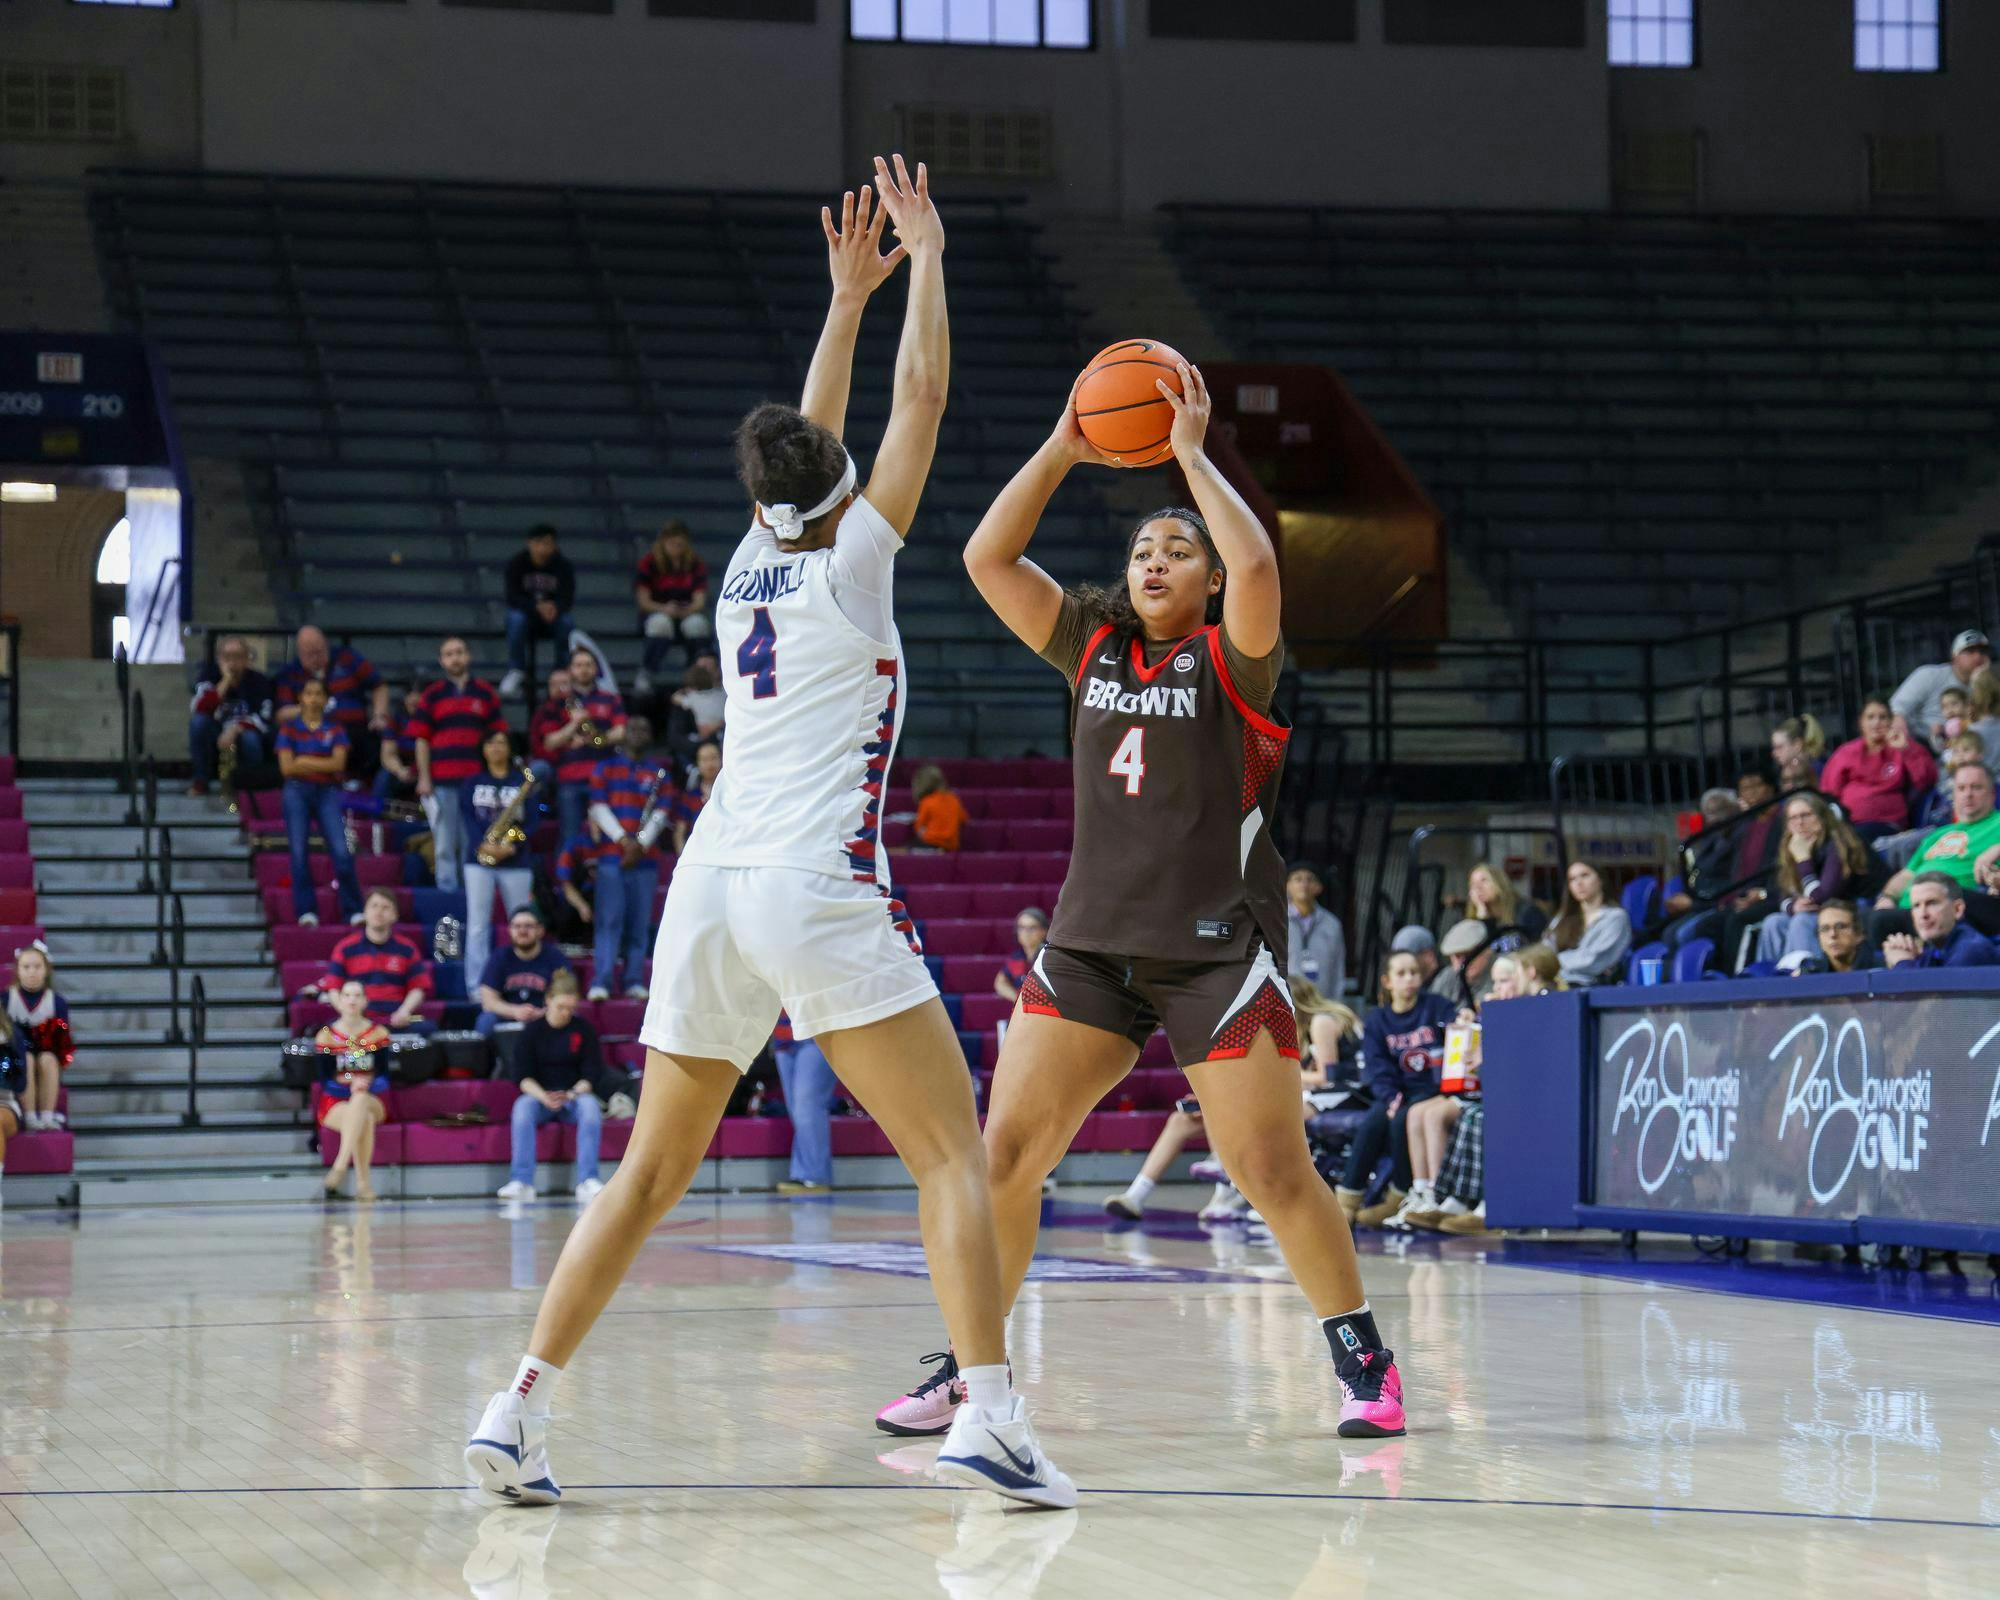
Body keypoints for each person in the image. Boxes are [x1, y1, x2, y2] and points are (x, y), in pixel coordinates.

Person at [465, 161, 1075, 1509]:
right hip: (813, 882)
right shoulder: (857, 550)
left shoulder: (748, 555)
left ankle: (517, 1411)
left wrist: (844, 299)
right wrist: (927, 263)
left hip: (712, 884)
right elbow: (917, 404)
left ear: (760, 495)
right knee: (949, 1157)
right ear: (840, 488)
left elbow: (810, 435)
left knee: (646, 1174)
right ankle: (989, 1414)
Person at [888, 330, 1407, 1448]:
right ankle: (968, 1366)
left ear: (1208, 577)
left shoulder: (1236, 658)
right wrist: (1065, 447)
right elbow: (986, 557)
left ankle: (1362, 1358)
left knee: (1269, 1167)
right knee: (1002, 1159)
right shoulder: (1090, 648)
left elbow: (1261, 567)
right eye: (1141, 552)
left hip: (1217, 952)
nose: (1157, 561)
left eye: (1177, 548)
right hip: (1088, 947)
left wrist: (1187, 454)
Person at [1387, 954, 1524, 1231]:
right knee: (1418, 1113)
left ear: (1524, 978)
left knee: (1464, 1117)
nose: (1497, 989)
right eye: (1495, 982)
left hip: (1508, 1097)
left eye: (1505, 981)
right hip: (1480, 1091)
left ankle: (1474, 1198)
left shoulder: (1524, 1013)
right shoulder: (1492, 1013)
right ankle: (1432, 1193)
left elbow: (1510, 1068)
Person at [1331, 950, 1455, 1230]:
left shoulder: (1437, 1006)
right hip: (1398, 1091)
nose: (1409, 979)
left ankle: (1399, 1194)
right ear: (1387, 981)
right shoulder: (1378, 1020)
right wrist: (1390, 1096)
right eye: (1401, 973)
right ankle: (1347, 1200)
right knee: (1374, 1121)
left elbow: (1456, 1028)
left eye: (1414, 972)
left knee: (1402, 1119)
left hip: (1433, 1089)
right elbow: (1376, 1066)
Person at [496, 973, 609, 1205]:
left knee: (590, 1109)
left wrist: (571, 1094)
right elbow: (522, 1077)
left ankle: (588, 1179)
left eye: (571, 1008)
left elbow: (591, 1073)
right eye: (561, 1007)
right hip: (540, 1095)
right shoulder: (532, 1032)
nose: (566, 1013)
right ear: (548, 1000)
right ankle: (522, 1181)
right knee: (522, 1109)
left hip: (573, 1095)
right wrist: (544, 1096)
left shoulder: (583, 1030)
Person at [584, 716, 672, 1000]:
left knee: (639, 923)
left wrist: (640, 844)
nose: (638, 733)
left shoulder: (660, 773)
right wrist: (624, 841)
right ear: (623, 734)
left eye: (644, 729)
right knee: (609, 921)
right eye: (633, 729)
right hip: (612, 857)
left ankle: (634, 979)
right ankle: (602, 981)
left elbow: (662, 813)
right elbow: (598, 807)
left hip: (645, 860)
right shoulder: (604, 768)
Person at [412, 636, 507, 897]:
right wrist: (424, 778)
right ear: (442, 661)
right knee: (443, 841)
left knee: (473, 838)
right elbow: (421, 739)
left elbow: (498, 738)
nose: (455, 657)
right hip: (442, 780)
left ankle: (472, 890)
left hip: (477, 782)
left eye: (459, 652)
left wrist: (494, 776)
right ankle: (446, 892)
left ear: (468, 656)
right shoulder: (432, 695)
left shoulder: (485, 693)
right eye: (449, 654)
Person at [1869, 763, 2000, 943]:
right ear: (1953, 795)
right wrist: (1887, 898)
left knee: (1881, 921)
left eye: (1976, 787)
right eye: (1961, 788)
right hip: (1913, 909)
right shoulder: (1937, 835)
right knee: (1867, 918)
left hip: (1962, 905)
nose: (1968, 794)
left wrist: (1996, 849)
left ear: (1992, 794)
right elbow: (1907, 875)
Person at [276, 678, 363, 927]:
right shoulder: (288, 729)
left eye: (318, 693)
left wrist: (303, 761)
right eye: (308, 693)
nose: (313, 698)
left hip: (328, 791)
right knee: (299, 852)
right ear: (301, 698)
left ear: (325, 700)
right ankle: (306, 911)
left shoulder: (335, 729)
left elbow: (338, 764)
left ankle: (353, 909)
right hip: (296, 792)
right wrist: (313, 763)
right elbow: (286, 768)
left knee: (341, 851)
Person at [1753, 793, 1873, 963]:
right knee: (1774, 922)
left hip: (1847, 912)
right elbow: (1782, 894)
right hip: (1814, 914)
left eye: (1806, 815)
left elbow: (1821, 898)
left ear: (1822, 817)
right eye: (1792, 818)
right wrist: (1793, 906)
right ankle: (1771, 982)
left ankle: (1806, 978)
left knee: (1802, 921)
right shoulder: (1791, 849)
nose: (1800, 823)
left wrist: (1803, 860)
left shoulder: (1838, 844)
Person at [459, 729, 537, 988]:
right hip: (479, 861)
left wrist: (512, 847)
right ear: (483, 749)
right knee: (478, 926)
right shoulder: (472, 782)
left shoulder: (521, 782)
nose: (495, 747)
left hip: (516, 862)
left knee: (522, 924)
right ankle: (477, 987)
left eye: (501, 742)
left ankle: (516, 982)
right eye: (490, 742)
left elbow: (534, 821)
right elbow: (468, 820)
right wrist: (484, 844)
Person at [312, 979, 392, 1201]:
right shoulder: (326, 1035)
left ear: (366, 1000)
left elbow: (384, 1077)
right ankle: (363, 1186)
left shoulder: (378, 1033)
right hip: (335, 1101)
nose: (352, 1000)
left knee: (361, 1099)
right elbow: (325, 1080)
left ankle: (339, 1167)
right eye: (347, 995)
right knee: (361, 1116)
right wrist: (351, 1080)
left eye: (357, 995)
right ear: (338, 1000)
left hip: (373, 1098)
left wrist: (363, 1084)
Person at [274, 625, 390, 776]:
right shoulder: (290, 673)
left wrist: (379, 715)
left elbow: (379, 686)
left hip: (354, 729)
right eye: (309, 655)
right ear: (300, 653)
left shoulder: (347, 658)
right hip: (311, 732)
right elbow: (281, 715)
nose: (316, 658)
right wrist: (311, 706)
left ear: (326, 645)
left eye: (319, 652)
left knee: (377, 738)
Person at [1821, 697, 1938, 842]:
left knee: (1855, 839)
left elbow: (1926, 781)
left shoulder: (1903, 747)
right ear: (1861, 722)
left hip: (1887, 824)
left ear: (1891, 721)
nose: (1876, 723)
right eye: (1870, 717)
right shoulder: (1846, 752)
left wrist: (1906, 750)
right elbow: (1828, 792)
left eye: (1882, 717)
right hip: (1849, 824)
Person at [546, 643, 627, 849]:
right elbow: (549, 742)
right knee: (569, 836)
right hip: (569, 778)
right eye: (578, 665)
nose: (583, 669)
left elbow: (621, 731)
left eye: (588, 665)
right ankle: (564, 881)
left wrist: (598, 739)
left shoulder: (610, 699)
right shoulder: (558, 702)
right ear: (571, 670)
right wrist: (574, 724)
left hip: (602, 777)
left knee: (608, 834)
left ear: (595, 668)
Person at [321, 889, 433, 1032]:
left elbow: (418, 987)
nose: (379, 912)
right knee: (328, 1031)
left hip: (395, 1020)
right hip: (358, 1020)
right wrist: (348, 1014)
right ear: (365, 912)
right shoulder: (345, 948)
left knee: (427, 1029)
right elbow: (333, 988)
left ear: (395, 915)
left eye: (385, 907)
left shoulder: (407, 949)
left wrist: (404, 1011)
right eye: (374, 906)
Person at [187, 634, 275, 798]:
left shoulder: (259, 681)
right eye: (227, 657)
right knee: (198, 723)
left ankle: (250, 789)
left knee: (251, 739)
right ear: (219, 658)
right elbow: (201, 709)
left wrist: (235, 729)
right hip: (216, 733)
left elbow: (265, 718)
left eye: (238, 657)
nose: (232, 662)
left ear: (247, 659)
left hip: (244, 733)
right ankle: (201, 782)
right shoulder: (208, 677)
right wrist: (226, 680)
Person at [634, 520, 712, 693]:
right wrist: (665, 609)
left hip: (685, 612)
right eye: (672, 544)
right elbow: (644, 601)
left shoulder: (695, 564)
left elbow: (699, 600)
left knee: (697, 624)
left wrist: (687, 610)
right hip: (657, 611)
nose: (676, 548)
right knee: (660, 624)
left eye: (680, 544)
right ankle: (647, 672)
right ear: (663, 543)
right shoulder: (649, 563)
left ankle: (695, 675)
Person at [501, 525, 578, 699]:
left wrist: (555, 607)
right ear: (530, 544)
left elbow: (567, 597)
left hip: (553, 617)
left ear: (554, 545)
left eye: (548, 543)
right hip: (527, 616)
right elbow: (512, 597)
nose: (543, 548)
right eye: (538, 543)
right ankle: (516, 670)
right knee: (515, 619)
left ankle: (562, 671)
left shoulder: (563, 566)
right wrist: (536, 607)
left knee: (567, 622)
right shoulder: (517, 563)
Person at [475, 905, 572, 1041]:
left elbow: (566, 995)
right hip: (507, 1017)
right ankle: (486, 1062)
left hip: (546, 1016)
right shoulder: (499, 957)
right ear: (509, 930)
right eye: (517, 926)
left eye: (528, 926)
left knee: (571, 1019)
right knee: (486, 1021)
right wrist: (515, 1011)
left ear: (540, 930)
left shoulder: (555, 958)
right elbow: (488, 1001)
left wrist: (544, 1012)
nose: (522, 931)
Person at [7, 941, 74, 1131]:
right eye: (26, 967)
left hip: (47, 1053)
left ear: (47, 970)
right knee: (25, 1058)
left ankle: (47, 1115)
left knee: (48, 1059)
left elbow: (63, 1042)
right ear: (18, 970)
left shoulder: (57, 1002)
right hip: (15, 1058)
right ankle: (29, 1116)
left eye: (37, 967)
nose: (32, 972)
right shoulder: (7, 999)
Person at [1890, 628, 1992, 754]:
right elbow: (1897, 710)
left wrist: (1984, 680)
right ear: (1955, 656)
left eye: (1983, 652)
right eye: (1970, 651)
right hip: (1921, 747)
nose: (1978, 657)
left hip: (1968, 750)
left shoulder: (1990, 685)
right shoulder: (1930, 675)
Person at [770, 1013, 836, 1196]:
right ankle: (805, 1173)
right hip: (783, 1038)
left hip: (816, 1034)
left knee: (807, 1105)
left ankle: (814, 1176)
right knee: (797, 1111)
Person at [1881, 872, 2000, 969]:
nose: (1923, 914)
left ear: (1957, 909)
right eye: (1916, 906)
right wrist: (1913, 957)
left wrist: (1902, 962)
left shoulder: (1970, 950)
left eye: (1932, 903)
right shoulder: (1936, 949)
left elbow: (1933, 996)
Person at [1549, 859, 1633, 986]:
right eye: (1572, 879)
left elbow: (1593, 961)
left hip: (1591, 986)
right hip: (1555, 983)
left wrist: (1551, 963)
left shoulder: (1616, 917)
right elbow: (1545, 949)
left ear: (1600, 879)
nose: (1579, 883)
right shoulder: (1561, 918)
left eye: (1585, 875)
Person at [1285, 861, 1347, 995]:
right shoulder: (1277, 920)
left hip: (1322, 1000)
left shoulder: (1332, 924)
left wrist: (1336, 1005)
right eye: (1298, 879)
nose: (1304, 884)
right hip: (1286, 1003)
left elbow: (1338, 968)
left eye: (1310, 879)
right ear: (1287, 886)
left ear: (1319, 887)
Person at [1781, 899, 1881, 977]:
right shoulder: (1810, 975)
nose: (1832, 934)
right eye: (1825, 929)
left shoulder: (1882, 969)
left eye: (1840, 927)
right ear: (1819, 938)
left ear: (1859, 934)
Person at [663, 657, 727, 768]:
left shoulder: (692, 698)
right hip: (717, 731)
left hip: (710, 734)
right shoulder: (722, 694)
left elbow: (675, 698)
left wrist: (683, 692)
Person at [1465, 860, 1545, 945]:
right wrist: (1483, 920)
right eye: (1473, 884)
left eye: (1484, 880)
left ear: (1499, 882)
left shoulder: (1527, 912)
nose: (1478, 887)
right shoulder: (1474, 921)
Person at [526, 665, 575, 792]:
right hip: (550, 764)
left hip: (578, 762)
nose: (559, 688)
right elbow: (549, 744)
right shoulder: (545, 712)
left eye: (564, 684)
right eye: (554, 685)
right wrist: (575, 724)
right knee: (535, 770)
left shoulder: (580, 707)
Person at [671, 739, 721, 854]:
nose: (710, 764)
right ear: (697, 763)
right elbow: (679, 834)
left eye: (713, 758)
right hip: (698, 857)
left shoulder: (731, 794)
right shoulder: (689, 798)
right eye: (704, 759)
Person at [1428, 919, 1489, 1007]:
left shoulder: (1501, 978)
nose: (1464, 961)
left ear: (1486, 951)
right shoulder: (1448, 977)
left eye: (1469, 954)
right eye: (1458, 956)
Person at [993, 907, 1049, 1002]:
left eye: (1032, 928)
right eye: (1021, 928)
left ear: (1044, 931)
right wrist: (1018, 999)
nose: (1026, 933)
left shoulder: (1050, 956)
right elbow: (1000, 982)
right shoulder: (1017, 957)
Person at [910, 764, 970, 852]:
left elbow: (918, 827)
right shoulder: (954, 799)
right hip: (952, 846)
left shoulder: (926, 802)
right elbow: (964, 818)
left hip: (930, 843)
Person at [1771, 713, 1827, 779]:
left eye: (1779, 747)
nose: (1774, 753)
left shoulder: (1816, 769)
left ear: (1797, 745)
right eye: (1773, 748)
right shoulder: (1801, 769)